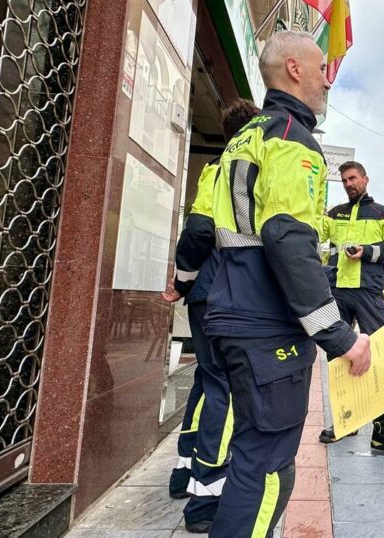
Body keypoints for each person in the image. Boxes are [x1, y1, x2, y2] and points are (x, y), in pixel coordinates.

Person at [202, 31, 371, 537]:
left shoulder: (247, 137)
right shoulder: (292, 139)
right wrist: (340, 337)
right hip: (267, 326)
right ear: (295, 69)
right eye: (322, 69)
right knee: (269, 465)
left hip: (234, 312)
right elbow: (288, 238)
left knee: (250, 450)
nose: (327, 81)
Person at [161, 99, 261, 532]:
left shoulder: (213, 169)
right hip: (228, 292)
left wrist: (184, 282)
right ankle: (206, 496)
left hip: (205, 292)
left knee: (205, 381)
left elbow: (198, 228)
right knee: (222, 386)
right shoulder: (242, 167)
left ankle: (183, 471)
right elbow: (202, 229)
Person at [316, 161, 384, 459]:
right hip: (337, 292)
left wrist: (367, 252)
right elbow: (316, 235)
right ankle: (346, 421)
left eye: (353, 178)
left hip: (369, 292)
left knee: (382, 355)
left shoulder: (382, 213)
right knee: (337, 357)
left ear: (365, 178)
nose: (349, 184)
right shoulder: (334, 214)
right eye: (345, 180)